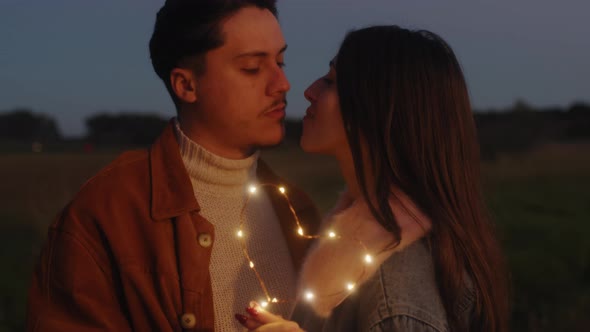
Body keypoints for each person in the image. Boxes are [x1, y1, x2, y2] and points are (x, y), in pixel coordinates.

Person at [26, 0, 321, 331]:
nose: (282, 84)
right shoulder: (107, 212)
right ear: (186, 85)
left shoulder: (296, 209)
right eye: (253, 67)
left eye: (280, 61)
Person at [236, 25, 509, 332]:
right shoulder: (359, 241)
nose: (309, 91)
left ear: (378, 109)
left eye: (331, 82)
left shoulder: (393, 286)